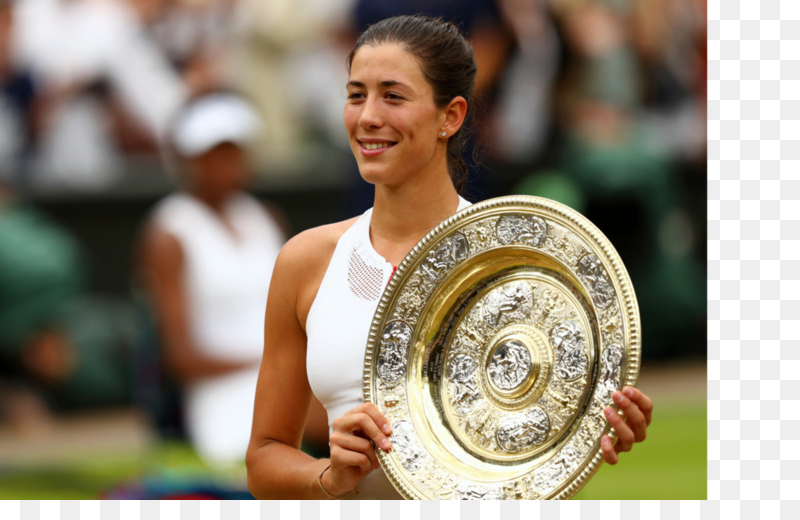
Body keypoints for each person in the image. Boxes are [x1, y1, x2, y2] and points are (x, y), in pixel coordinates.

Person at [245, 15, 652, 500]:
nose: (368, 116)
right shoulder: (305, 261)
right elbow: (264, 458)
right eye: (356, 95)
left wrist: (584, 438)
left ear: (451, 116)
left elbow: (533, 469)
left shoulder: (515, 261)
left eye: (393, 96)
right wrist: (327, 477)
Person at [138, 92, 294, 467]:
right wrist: (269, 365)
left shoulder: (266, 218)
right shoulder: (169, 234)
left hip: (283, 377)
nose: (228, 163)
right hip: (222, 398)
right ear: (188, 160)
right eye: (214, 152)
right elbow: (182, 359)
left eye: (235, 150)